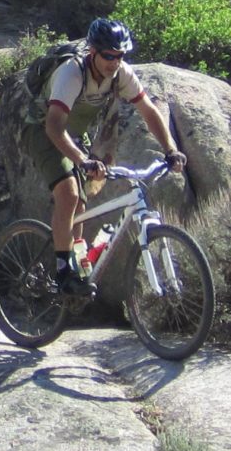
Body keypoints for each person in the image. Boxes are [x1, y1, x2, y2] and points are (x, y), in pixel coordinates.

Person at [30, 16, 185, 295]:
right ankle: (63, 271)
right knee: (69, 194)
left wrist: (171, 149)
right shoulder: (72, 73)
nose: (114, 62)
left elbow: (149, 111)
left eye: (120, 55)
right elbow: (53, 126)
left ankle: (76, 273)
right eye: (109, 56)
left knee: (81, 205)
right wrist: (82, 160)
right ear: (93, 52)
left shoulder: (121, 74)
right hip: (43, 130)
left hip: (74, 134)